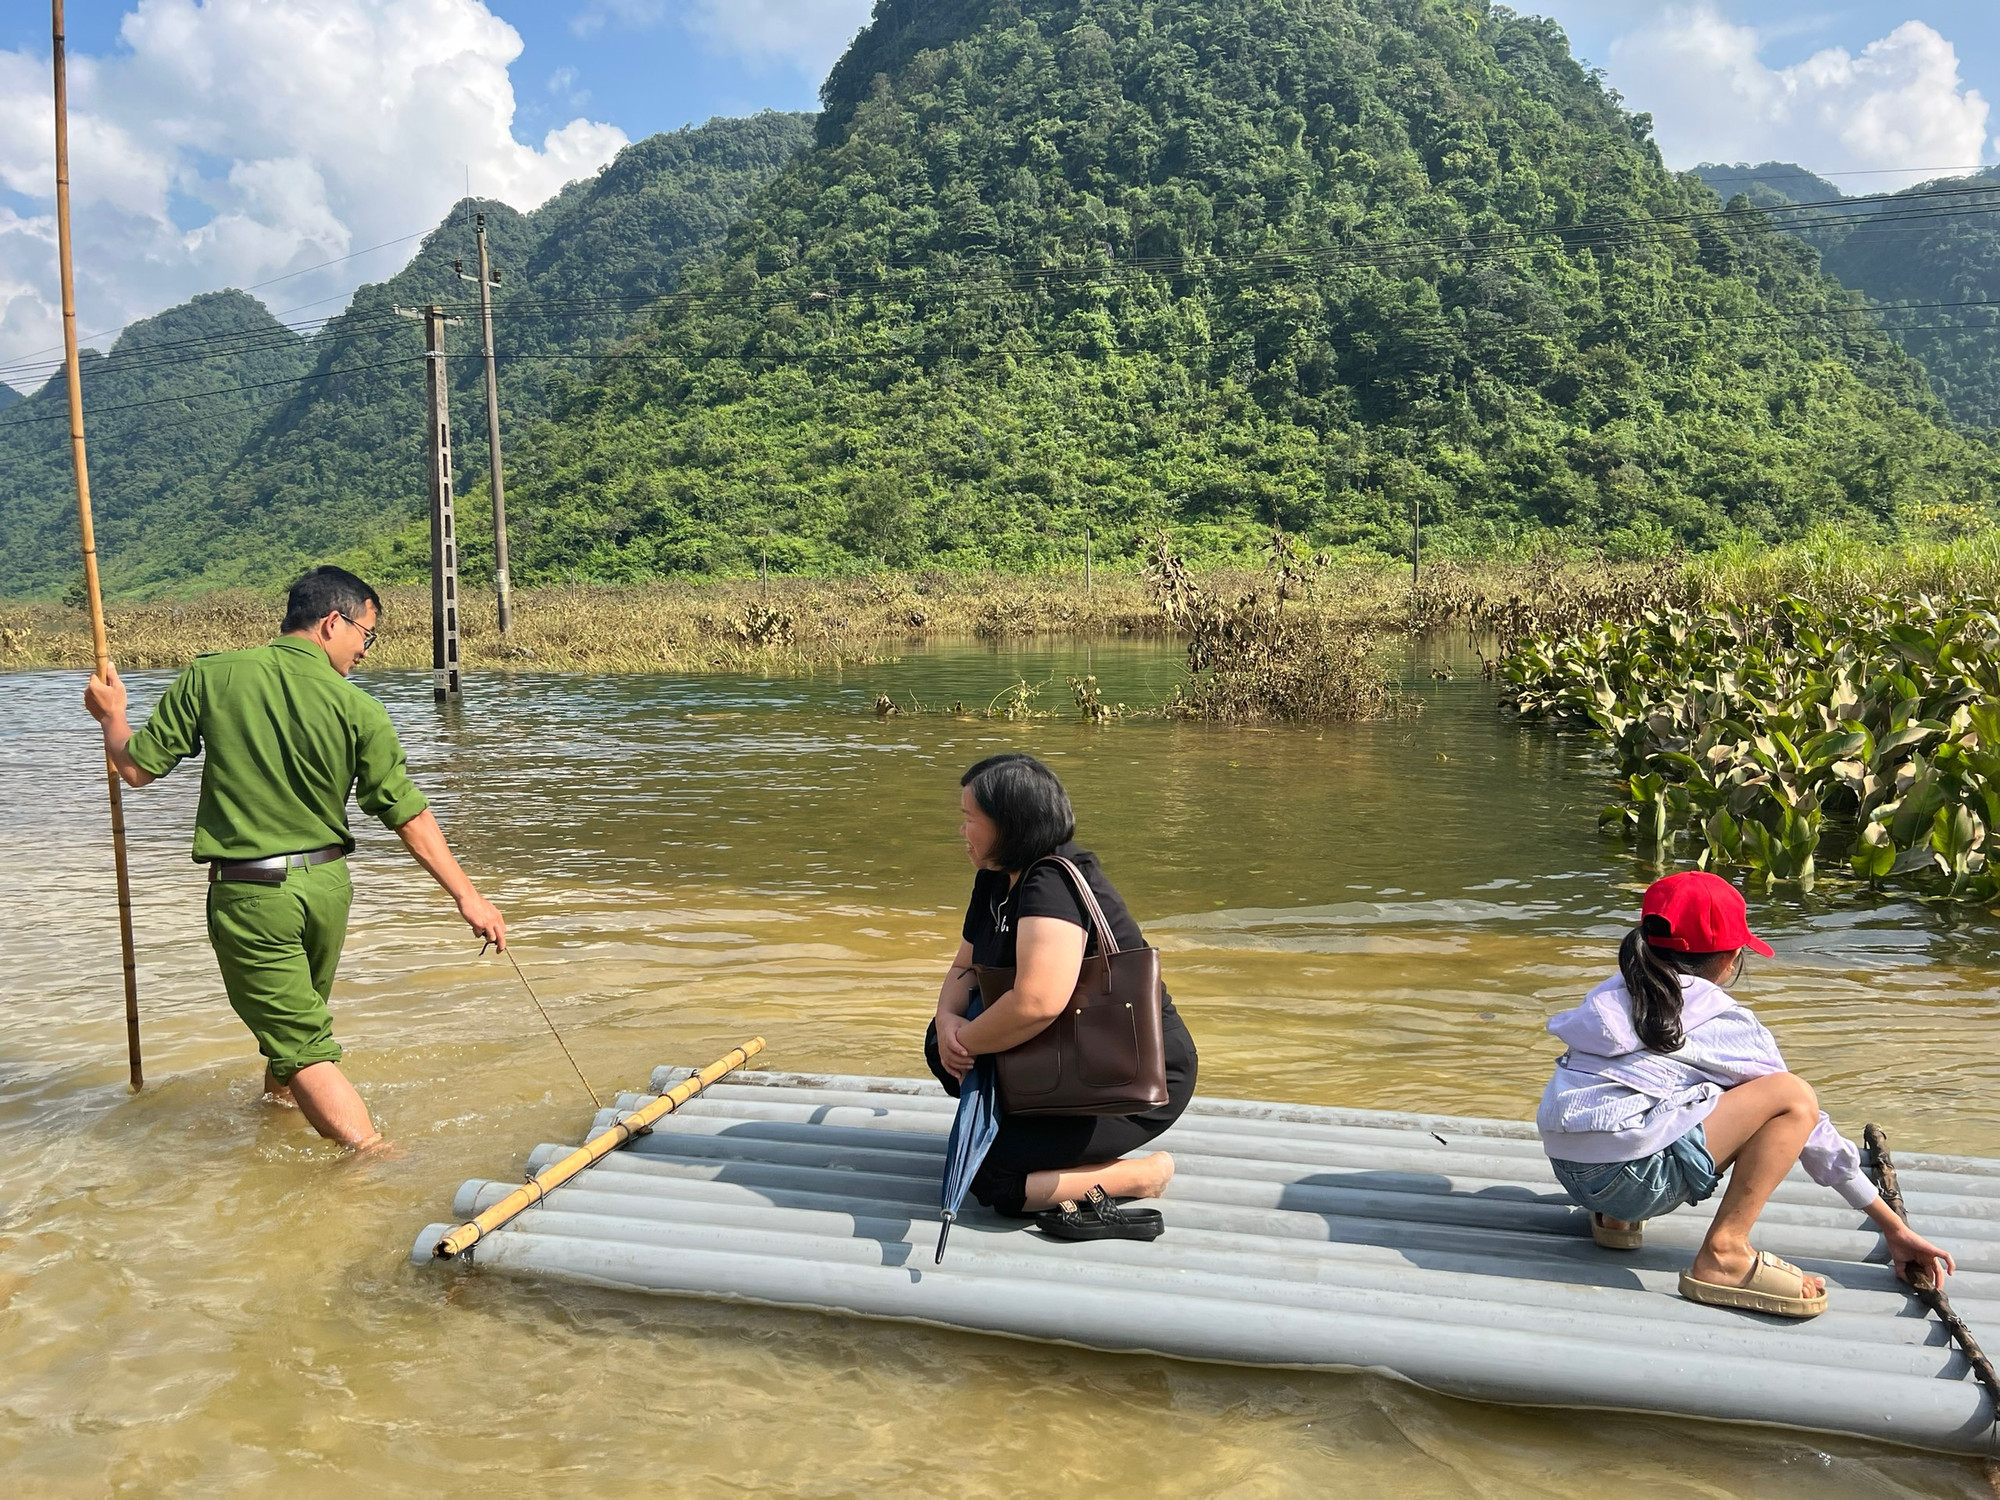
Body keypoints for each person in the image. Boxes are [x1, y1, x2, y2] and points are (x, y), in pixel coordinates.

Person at [82, 565, 506, 1152]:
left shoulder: (212, 675)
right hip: (327, 889)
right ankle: (275, 1124)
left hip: (253, 895)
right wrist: (468, 896)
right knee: (296, 1030)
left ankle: (377, 1160)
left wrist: (112, 717)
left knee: (299, 1043)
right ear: (333, 622)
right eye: (367, 634)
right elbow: (406, 812)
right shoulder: (360, 709)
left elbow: (136, 767)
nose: (365, 650)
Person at [1538, 869, 1951, 1318]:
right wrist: (1892, 1226)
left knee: (1650, 1090)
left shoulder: (1608, 996)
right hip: (1631, 1182)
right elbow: (1809, 1126)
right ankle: (1725, 1253)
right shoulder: (1725, 1021)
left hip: (1570, 1171)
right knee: (1792, 1096)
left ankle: (1615, 1222)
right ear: (1730, 958)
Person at [926, 752, 1197, 1239]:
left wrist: (966, 1041)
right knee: (934, 1043)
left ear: (1008, 825)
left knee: (993, 1178)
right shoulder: (993, 880)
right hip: (1062, 1059)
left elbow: (1037, 1002)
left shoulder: (1051, 882)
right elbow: (965, 966)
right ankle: (1039, 1132)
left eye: (970, 820)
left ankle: (1144, 1175)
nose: (961, 832)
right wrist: (947, 1022)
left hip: (1126, 1075)